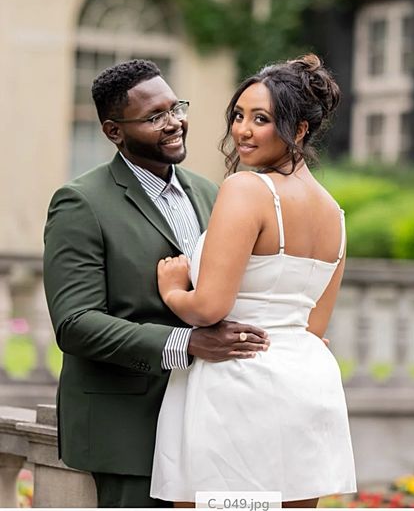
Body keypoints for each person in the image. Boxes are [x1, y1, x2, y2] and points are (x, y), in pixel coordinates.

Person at [43, 59, 270, 508]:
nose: (175, 123)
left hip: (212, 418)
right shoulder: (80, 203)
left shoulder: (212, 193)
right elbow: (75, 323)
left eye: (175, 107)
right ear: (113, 131)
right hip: (129, 428)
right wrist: (186, 343)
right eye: (155, 117)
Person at [150, 54, 357, 507]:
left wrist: (173, 290)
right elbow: (314, 330)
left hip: (238, 388)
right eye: (239, 115)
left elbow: (209, 308)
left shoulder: (247, 190)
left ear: (299, 129)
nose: (242, 130)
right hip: (307, 386)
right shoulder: (335, 216)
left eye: (261, 119)